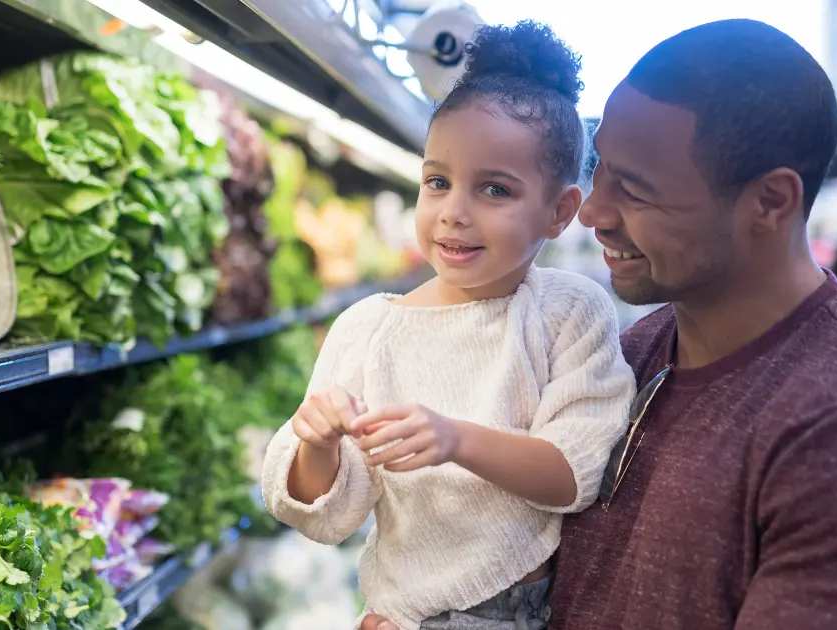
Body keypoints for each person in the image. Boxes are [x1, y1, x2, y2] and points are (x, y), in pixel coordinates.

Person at [363, 18, 837, 630]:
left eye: (635, 189)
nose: (593, 212)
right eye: (599, 167)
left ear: (769, 203)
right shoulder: (630, 350)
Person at [260, 21, 636, 630]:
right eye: (437, 182)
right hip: (409, 615)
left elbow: (576, 475)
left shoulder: (568, 310)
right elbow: (324, 514)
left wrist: (456, 439)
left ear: (560, 212)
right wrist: (318, 443)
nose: (453, 213)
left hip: (530, 610)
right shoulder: (368, 329)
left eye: (494, 189)